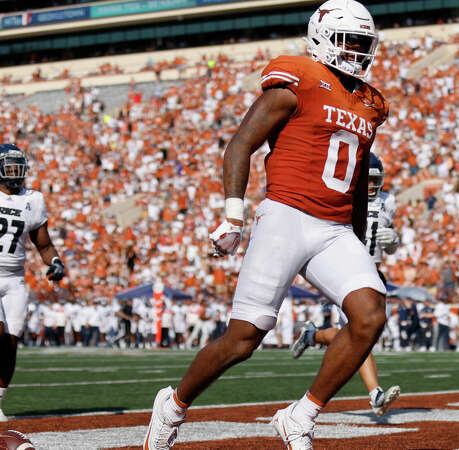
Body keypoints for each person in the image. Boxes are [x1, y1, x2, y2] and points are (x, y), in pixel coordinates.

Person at [143, 1, 388, 449]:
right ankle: (173, 405)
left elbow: (352, 181)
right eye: (347, 40)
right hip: (287, 216)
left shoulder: (371, 103)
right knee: (243, 338)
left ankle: (301, 415)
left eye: (362, 43)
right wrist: (232, 214)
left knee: (370, 316)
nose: (355, 50)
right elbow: (241, 145)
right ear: (321, 37)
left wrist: (357, 238)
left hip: (335, 228)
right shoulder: (297, 79)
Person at [290, 152, 400, 417]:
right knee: (361, 333)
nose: (371, 186)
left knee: (357, 333)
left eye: (375, 181)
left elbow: (392, 246)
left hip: (374, 271)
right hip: (349, 270)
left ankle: (313, 335)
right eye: (367, 180)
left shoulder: (389, 202)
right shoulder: (345, 198)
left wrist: (394, 239)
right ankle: (375, 394)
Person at [0, 143, 65, 422]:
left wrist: (55, 262)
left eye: (18, 166)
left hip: (14, 278)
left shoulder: (33, 199)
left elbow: (44, 243)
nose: (15, 172)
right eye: (9, 166)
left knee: (11, 341)